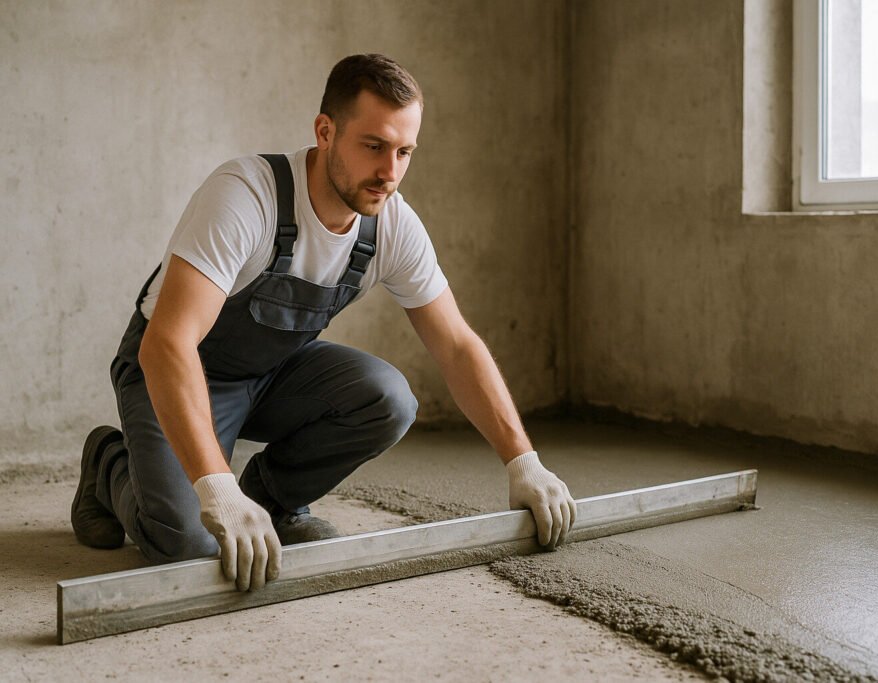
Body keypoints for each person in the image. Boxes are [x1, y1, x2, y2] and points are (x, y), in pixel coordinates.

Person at [71, 54, 576, 592]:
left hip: (270, 374)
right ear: (325, 131)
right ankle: (109, 464)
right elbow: (166, 344)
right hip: (172, 371)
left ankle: (271, 502)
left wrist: (523, 462)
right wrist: (215, 487)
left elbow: (455, 344)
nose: (390, 172)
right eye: (375, 146)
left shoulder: (391, 224)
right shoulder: (246, 195)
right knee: (189, 547)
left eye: (405, 152)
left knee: (387, 397)